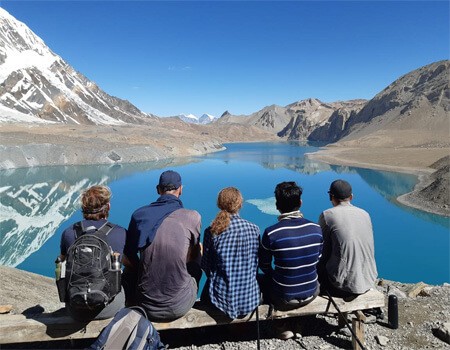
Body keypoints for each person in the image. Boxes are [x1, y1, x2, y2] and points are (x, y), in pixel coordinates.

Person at [123, 170, 202, 321]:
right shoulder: (193, 217)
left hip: (145, 303)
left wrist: (143, 267)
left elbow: (128, 254)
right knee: (198, 250)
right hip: (179, 305)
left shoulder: (139, 215)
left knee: (129, 268)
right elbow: (191, 254)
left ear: (158, 189)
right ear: (181, 189)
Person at [259, 182, 323, 338]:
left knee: (261, 280)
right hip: (311, 293)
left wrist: (274, 274)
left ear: (277, 205)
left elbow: (264, 265)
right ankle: (300, 323)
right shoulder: (316, 229)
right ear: (300, 203)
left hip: (283, 298)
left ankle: (281, 326)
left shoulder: (272, 233)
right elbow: (318, 260)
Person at [60, 185, 126, 321]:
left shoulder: (68, 233)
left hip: (75, 307)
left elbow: (62, 261)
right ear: (108, 206)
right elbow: (129, 262)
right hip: (108, 308)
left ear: (83, 208)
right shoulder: (119, 232)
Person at [201, 187, 260, 319]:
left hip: (220, 301)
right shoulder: (254, 229)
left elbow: (206, 266)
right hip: (249, 300)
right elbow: (256, 263)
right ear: (240, 204)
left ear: (219, 204)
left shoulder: (212, 231)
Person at [318, 179, 378, 298]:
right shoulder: (365, 214)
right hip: (369, 280)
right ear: (351, 197)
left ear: (331, 197)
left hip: (341, 286)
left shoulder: (327, 215)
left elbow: (322, 249)